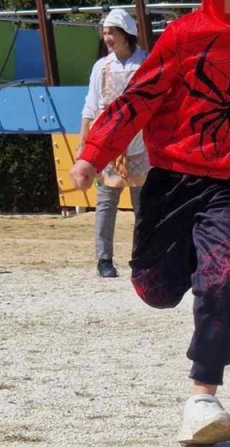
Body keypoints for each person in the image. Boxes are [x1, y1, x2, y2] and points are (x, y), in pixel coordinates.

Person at [70, 0, 230, 446]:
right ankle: (193, 268)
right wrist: (93, 154)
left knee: (227, 276)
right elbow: (138, 98)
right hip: (171, 181)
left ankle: (203, 397)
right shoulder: (184, 35)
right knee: (156, 290)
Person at [78, 9, 150, 278]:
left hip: (140, 142)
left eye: (112, 32)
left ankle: (142, 257)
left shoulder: (145, 62)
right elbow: (90, 106)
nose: (107, 37)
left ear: (126, 34)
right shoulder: (101, 67)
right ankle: (104, 259)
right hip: (108, 144)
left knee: (144, 205)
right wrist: (84, 143)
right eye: (105, 32)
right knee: (106, 203)